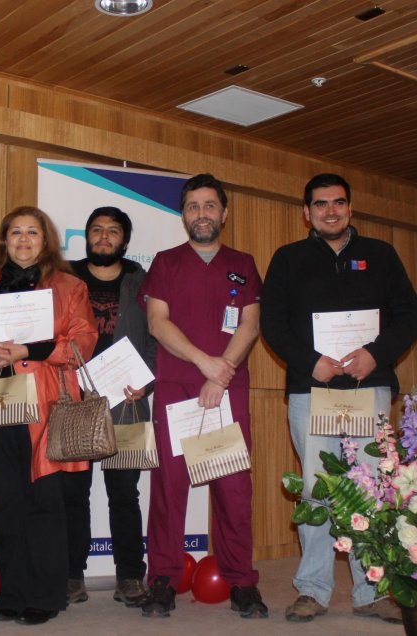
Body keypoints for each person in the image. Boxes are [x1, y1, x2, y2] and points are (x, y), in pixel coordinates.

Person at [260, 173, 417, 624]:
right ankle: (312, 589)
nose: (330, 211)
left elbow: (410, 315)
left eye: (338, 203)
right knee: (317, 489)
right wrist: (310, 362)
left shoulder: (381, 255)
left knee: (368, 490)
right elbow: (273, 323)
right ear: (306, 212)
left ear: (350, 208)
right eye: (320, 204)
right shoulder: (288, 259)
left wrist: (376, 354)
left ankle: (370, 590)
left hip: (368, 389)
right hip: (312, 391)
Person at [0, 206, 98, 627]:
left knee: (45, 501)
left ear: (45, 240)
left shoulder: (69, 286)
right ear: (4, 239)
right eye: (15, 232)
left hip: (45, 406)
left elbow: (83, 342)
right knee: (4, 502)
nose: (23, 239)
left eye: (32, 232)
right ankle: (12, 593)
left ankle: (47, 594)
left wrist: (29, 350)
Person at [138, 173, 267, 619]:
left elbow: (250, 323)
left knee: (233, 488)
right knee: (169, 489)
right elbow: (157, 322)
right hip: (176, 387)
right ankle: (163, 580)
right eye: (193, 206)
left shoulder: (243, 263)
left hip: (227, 390)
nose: (202, 214)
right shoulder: (165, 262)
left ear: (224, 213)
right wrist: (204, 363)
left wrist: (221, 372)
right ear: (183, 215)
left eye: (210, 205)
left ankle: (241, 581)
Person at [63, 206, 156, 607]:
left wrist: (147, 379)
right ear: (86, 236)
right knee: (73, 491)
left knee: (124, 493)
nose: (104, 236)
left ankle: (130, 576)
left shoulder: (143, 282)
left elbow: (156, 334)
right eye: (96, 230)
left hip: (126, 399)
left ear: (125, 240)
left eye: (113, 231)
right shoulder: (64, 277)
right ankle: (71, 575)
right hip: (75, 397)